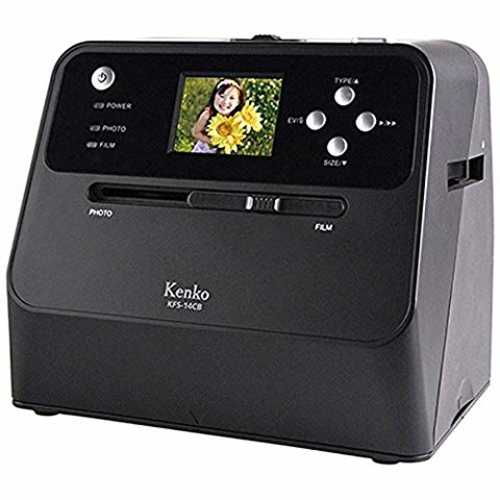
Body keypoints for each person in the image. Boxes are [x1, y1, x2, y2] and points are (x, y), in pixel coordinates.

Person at [191, 79, 245, 153]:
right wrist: (215, 142)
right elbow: (195, 132)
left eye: (231, 98)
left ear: (238, 102)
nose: (225, 102)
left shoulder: (237, 118)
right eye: (222, 96)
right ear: (214, 96)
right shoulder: (207, 114)